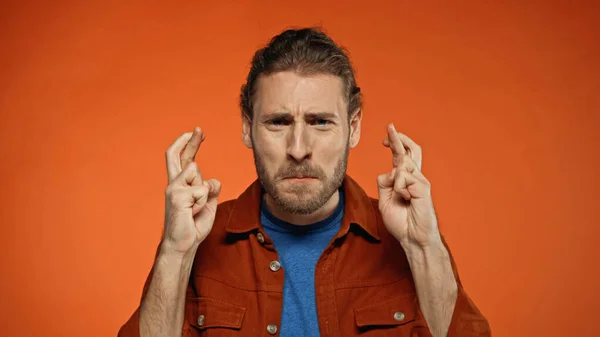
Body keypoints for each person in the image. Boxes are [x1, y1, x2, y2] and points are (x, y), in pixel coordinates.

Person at [117, 27, 491, 337]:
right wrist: (175, 252)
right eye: (278, 122)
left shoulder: (410, 242)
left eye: (320, 122)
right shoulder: (199, 243)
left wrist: (423, 247)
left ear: (354, 127)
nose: (299, 149)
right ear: (248, 128)